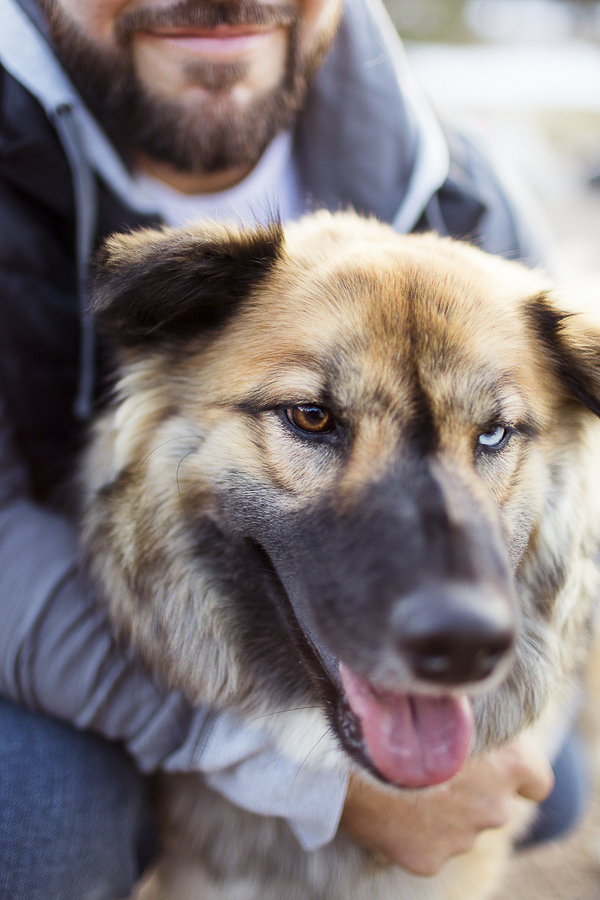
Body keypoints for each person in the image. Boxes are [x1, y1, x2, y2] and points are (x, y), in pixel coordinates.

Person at [0, 0, 573, 897]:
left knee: (545, 778)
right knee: (34, 815)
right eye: (312, 418)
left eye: (490, 432)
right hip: (53, 632)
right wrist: (310, 778)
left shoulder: (459, 185)